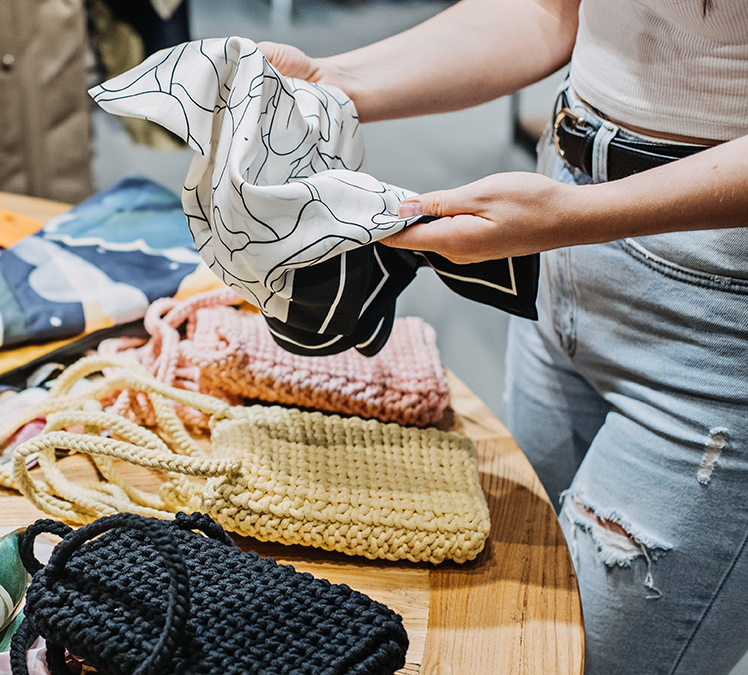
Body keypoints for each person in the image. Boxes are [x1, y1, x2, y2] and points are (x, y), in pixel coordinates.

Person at [260, 1, 748, 673]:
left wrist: (574, 216)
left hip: (716, 314)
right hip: (561, 243)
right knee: (508, 623)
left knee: (590, 658)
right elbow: (551, 10)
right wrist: (331, 79)